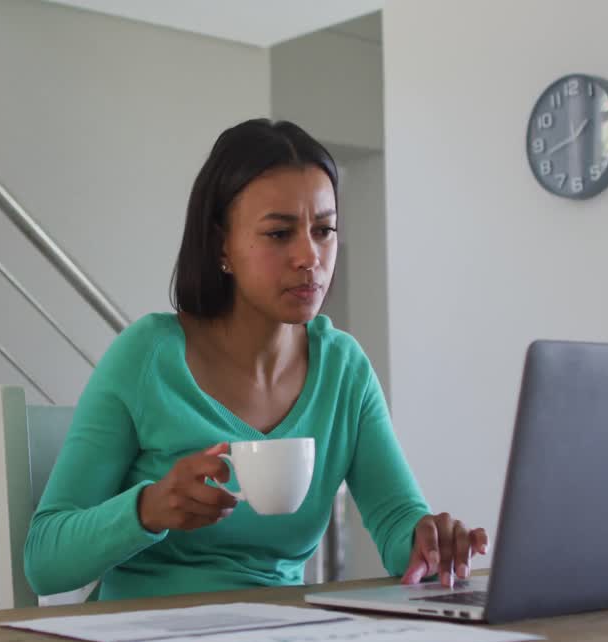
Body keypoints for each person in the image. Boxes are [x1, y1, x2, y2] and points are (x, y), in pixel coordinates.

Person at [25, 119, 486, 601]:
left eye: (324, 230)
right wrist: (147, 510)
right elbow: (44, 564)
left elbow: (396, 525)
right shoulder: (147, 357)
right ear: (221, 242)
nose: (310, 256)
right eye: (279, 234)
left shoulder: (344, 369)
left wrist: (431, 544)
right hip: (142, 641)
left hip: (281, 640)